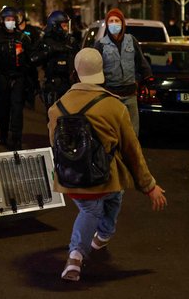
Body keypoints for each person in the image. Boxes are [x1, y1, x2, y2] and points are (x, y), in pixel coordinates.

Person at [48, 48, 167, 282]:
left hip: (70, 175)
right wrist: (149, 186)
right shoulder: (114, 106)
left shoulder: (57, 108)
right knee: (92, 209)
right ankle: (75, 257)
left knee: (112, 197)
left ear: (76, 72)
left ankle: (101, 237)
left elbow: (54, 144)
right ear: (101, 72)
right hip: (103, 175)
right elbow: (132, 150)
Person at [93, 8, 152, 135]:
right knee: (111, 131)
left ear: (122, 23)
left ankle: (130, 154)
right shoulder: (101, 44)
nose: (114, 23)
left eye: (117, 20)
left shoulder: (131, 40)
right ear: (107, 24)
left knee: (132, 132)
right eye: (111, 21)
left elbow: (141, 62)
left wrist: (147, 79)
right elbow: (95, 68)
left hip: (130, 94)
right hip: (110, 94)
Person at [0, 7, 32, 150]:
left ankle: (16, 137)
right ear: (2, 21)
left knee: (17, 109)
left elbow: (30, 59)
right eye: (7, 19)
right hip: (2, 78)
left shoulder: (23, 38)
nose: (10, 22)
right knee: (2, 109)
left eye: (12, 19)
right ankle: (3, 134)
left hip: (18, 78)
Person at [30, 10, 77, 112]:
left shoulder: (70, 41)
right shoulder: (45, 41)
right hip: (52, 84)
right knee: (53, 116)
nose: (66, 29)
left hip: (68, 83)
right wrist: (47, 52)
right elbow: (33, 59)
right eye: (64, 26)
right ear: (56, 26)